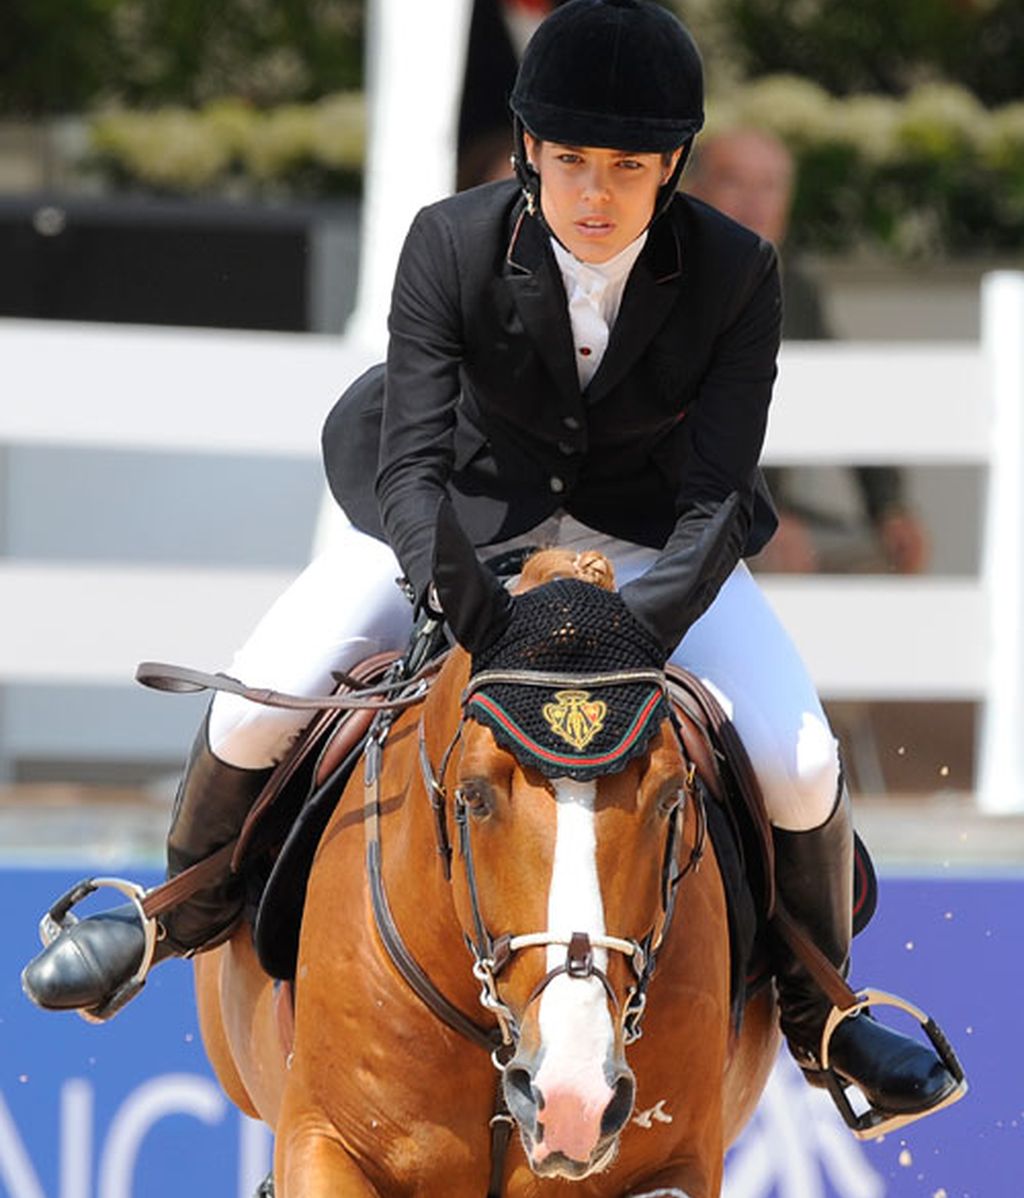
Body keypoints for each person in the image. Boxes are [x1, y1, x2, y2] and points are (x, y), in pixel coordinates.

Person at [23, 0, 959, 1131]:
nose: (596, 195)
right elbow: (411, 473)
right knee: (266, 685)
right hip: (456, 532)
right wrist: (485, 616)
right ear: (528, 149)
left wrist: (632, 629)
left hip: (655, 549)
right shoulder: (451, 242)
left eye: (627, 165)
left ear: (672, 165)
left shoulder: (734, 271)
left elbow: (718, 496)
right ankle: (166, 912)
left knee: (802, 760)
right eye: (569, 162)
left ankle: (821, 1012)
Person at [685, 125, 929, 575]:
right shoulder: (667, 280)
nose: (754, 201)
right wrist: (757, 516)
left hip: (774, 510)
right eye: (734, 180)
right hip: (685, 513)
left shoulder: (791, 286)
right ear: (693, 189)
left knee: (884, 558)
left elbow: (844, 394)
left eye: (771, 185)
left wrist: (888, 506)